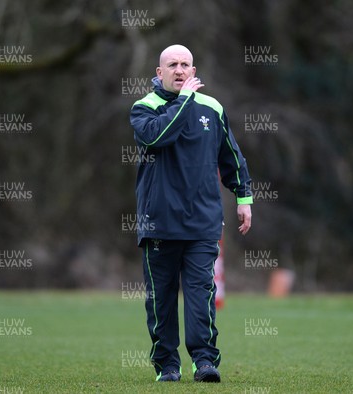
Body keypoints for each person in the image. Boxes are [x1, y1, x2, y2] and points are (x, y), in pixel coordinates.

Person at [129, 44, 253, 383]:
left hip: (202, 223)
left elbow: (231, 156)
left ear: (194, 72)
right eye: (172, 65)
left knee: (201, 296)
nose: (179, 70)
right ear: (159, 73)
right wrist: (183, 102)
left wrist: (244, 197)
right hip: (159, 223)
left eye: (186, 64)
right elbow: (157, 138)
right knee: (161, 301)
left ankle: (204, 362)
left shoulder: (211, 108)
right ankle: (167, 365)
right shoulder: (144, 108)